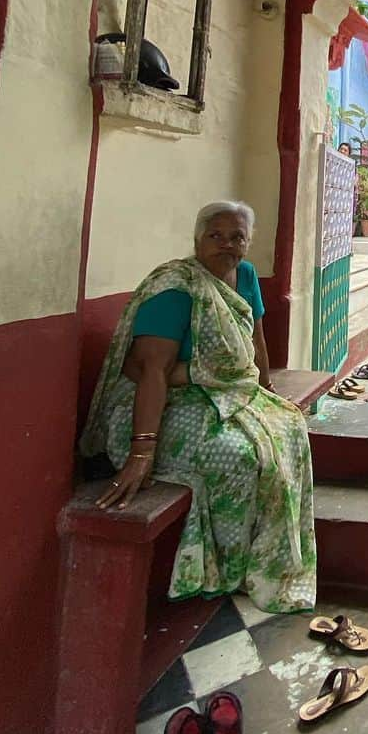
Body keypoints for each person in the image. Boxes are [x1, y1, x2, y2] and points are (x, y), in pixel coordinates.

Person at [80, 201, 316, 613]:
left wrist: (264, 384)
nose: (226, 244)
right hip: (158, 407)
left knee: (288, 428)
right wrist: (141, 454)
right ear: (197, 240)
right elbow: (149, 371)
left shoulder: (243, 275)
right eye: (215, 235)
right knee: (238, 455)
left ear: (248, 243)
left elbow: (254, 333)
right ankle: (221, 570)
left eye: (237, 237)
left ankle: (264, 555)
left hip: (224, 392)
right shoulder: (177, 289)